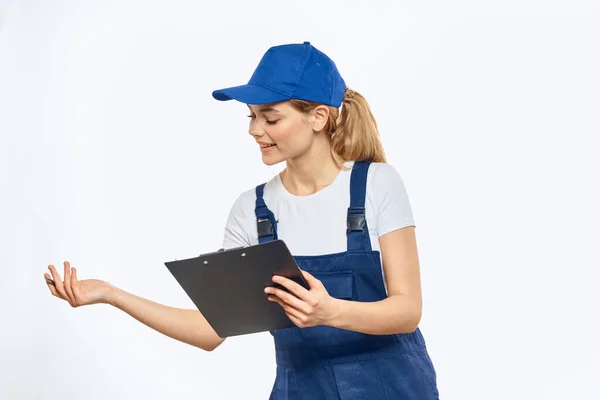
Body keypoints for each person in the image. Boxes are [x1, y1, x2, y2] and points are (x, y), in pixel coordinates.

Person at [44, 41, 439, 399]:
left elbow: (408, 310)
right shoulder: (252, 210)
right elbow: (210, 330)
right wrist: (112, 294)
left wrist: (330, 311)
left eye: (271, 119)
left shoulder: (375, 183)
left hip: (394, 387)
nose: (254, 130)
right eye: (251, 117)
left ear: (318, 117)